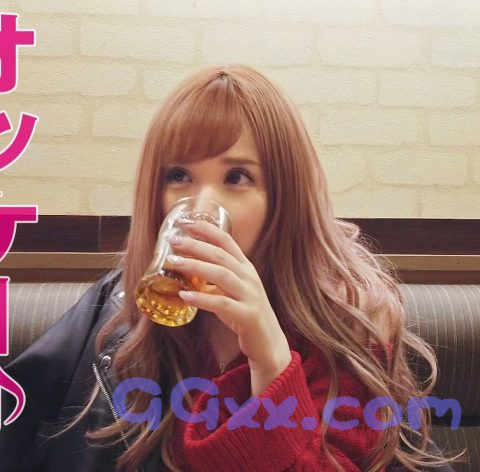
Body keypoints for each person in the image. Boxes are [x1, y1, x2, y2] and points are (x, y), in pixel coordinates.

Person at [0, 65, 463, 472]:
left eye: (237, 177)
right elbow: (17, 412)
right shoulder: (122, 302)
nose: (201, 206)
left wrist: (271, 361)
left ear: (283, 195)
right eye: (178, 176)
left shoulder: (347, 319)